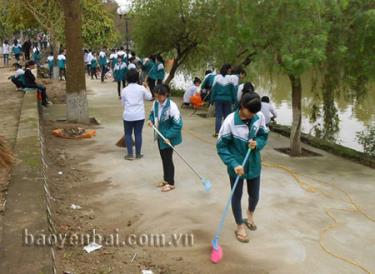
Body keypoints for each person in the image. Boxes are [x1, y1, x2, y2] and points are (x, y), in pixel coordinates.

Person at [216, 92, 268, 243]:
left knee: (254, 195)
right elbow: (221, 147)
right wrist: (234, 164)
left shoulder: (259, 117)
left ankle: (250, 215)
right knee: (236, 196)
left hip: (254, 164)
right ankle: (239, 225)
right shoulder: (230, 121)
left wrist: (257, 143)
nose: (252, 115)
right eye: (249, 111)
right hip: (237, 166)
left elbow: (264, 134)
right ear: (242, 107)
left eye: (255, 112)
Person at [148, 84, 183, 192]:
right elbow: (152, 114)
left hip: (169, 137)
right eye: (156, 96)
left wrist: (168, 136)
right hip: (160, 135)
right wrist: (151, 120)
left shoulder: (172, 106)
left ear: (165, 95)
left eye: (159, 96)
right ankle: (166, 179)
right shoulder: (156, 103)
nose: (158, 98)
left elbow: (178, 124)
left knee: (168, 159)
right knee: (164, 158)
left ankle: (171, 183)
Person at [121, 70, 153, 160]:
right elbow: (150, 97)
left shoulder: (124, 90)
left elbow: (122, 103)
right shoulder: (141, 88)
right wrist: (147, 87)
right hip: (139, 115)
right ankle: (138, 154)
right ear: (137, 78)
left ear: (127, 79)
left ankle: (130, 154)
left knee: (128, 134)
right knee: (138, 134)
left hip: (128, 115)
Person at [210, 64, 236, 137]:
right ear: (228, 70)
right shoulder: (230, 78)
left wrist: (211, 100)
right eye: (230, 69)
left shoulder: (217, 77)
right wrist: (234, 100)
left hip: (218, 99)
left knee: (218, 116)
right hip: (228, 100)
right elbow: (233, 91)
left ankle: (217, 132)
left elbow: (213, 90)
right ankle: (226, 133)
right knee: (227, 117)